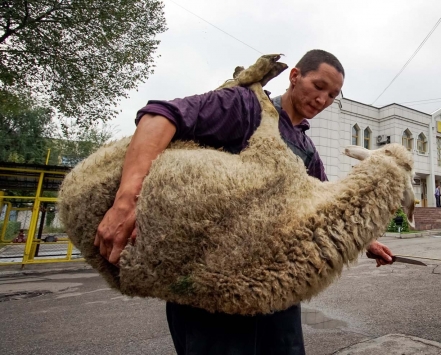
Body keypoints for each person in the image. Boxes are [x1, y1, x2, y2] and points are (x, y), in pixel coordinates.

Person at [93, 50, 396, 355]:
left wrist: (367, 242)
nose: (322, 100)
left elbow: (324, 201)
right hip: (211, 291)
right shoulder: (246, 106)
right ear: (294, 76)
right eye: (318, 86)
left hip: (275, 291)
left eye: (332, 95)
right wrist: (126, 201)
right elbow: (160, 115)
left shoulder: (305, 147)